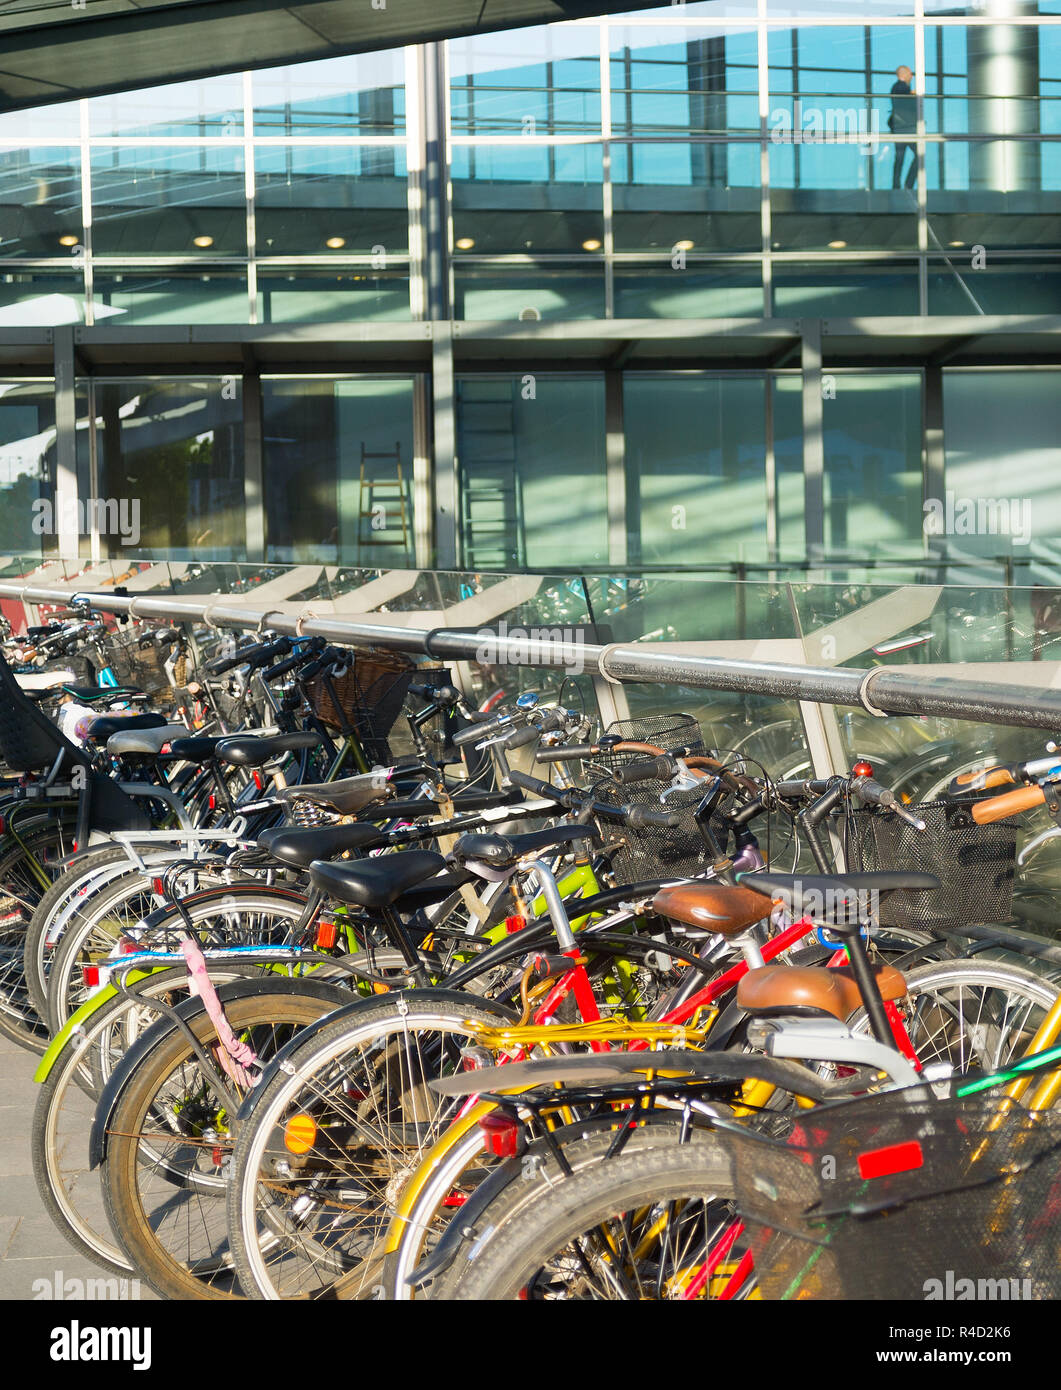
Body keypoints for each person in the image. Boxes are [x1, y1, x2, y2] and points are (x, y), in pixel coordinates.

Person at [889, 65, 917, 190]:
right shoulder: (900, 86)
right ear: (904, 74)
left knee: (900, 158)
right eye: (910, 74)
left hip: (901, 128)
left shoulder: (899, 87)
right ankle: (907, 185)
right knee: (918, 155)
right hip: (905, 128)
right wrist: (913, 95)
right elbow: (904, 103)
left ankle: (898, 185)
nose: (911, 76)